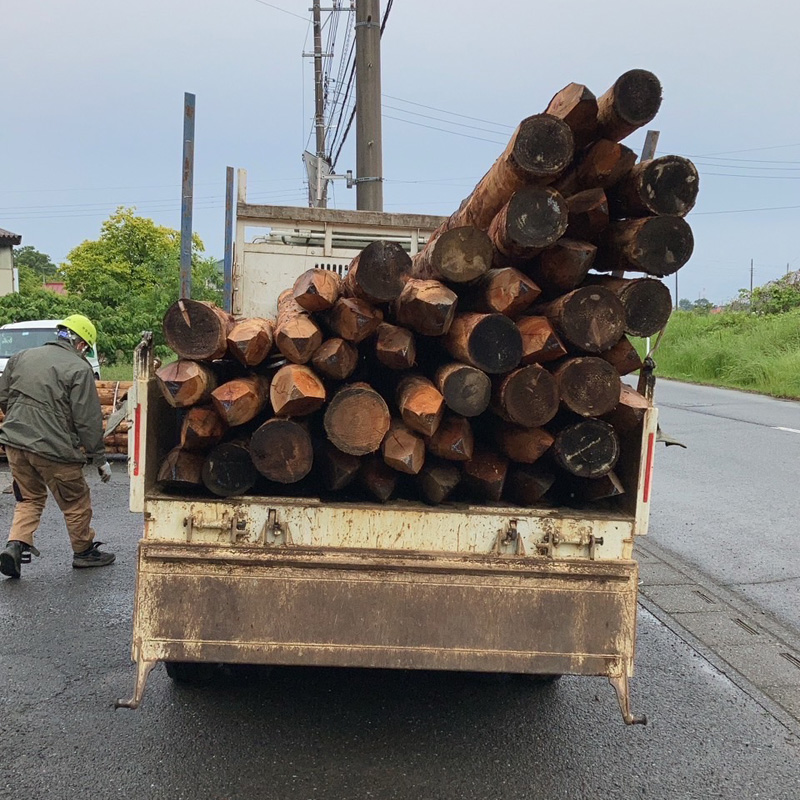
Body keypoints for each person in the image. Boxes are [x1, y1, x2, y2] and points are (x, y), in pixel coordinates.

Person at [0, 314, 114, 578]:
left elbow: (3, 396)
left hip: (15, 444)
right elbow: (87, 419)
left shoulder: (21, 356)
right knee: (75, 501)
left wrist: (21, 423)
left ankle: (15, 545)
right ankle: (84, 552)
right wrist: (99, 458)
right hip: (54, 449)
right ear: (82, 344)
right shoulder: (79, 368)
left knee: (29, 498)